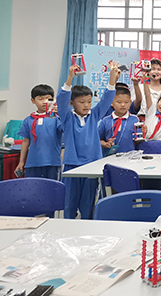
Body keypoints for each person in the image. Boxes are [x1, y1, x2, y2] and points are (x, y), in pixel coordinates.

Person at [58, 61, 119, 219]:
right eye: (81, 102)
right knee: (69, 202)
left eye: (89, 102)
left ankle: (87, 225)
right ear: (72, 103)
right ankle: (68, 226)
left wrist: (112, 78)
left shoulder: (95, 115)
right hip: (72, 165)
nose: (86, 105)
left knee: (88, 202)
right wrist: (70, 78)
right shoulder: (67, 118)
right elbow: (61, 101)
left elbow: (106, 99)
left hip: (91, 165)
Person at [16, 84, 62, 180]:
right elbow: (26, 141)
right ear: (33, 101)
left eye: (48, 99)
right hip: (32, 163)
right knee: (32, 187)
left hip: (52, 162)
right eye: (40, 99)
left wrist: (61, 114)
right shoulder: (28, 120)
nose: (44, 102)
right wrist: (21, 161)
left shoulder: (56, 118)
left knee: (52, 187)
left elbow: (66, 128)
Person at [98, 86, 141, 156]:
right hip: (109, 157)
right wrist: (105, 144)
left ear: (130, 102)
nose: (123, 105)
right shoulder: (105, 121)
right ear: (111, 103)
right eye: (119, 102)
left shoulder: (135, 119)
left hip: (129, 157)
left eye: (126, 102)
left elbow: (139, 140)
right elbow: (97, 139)